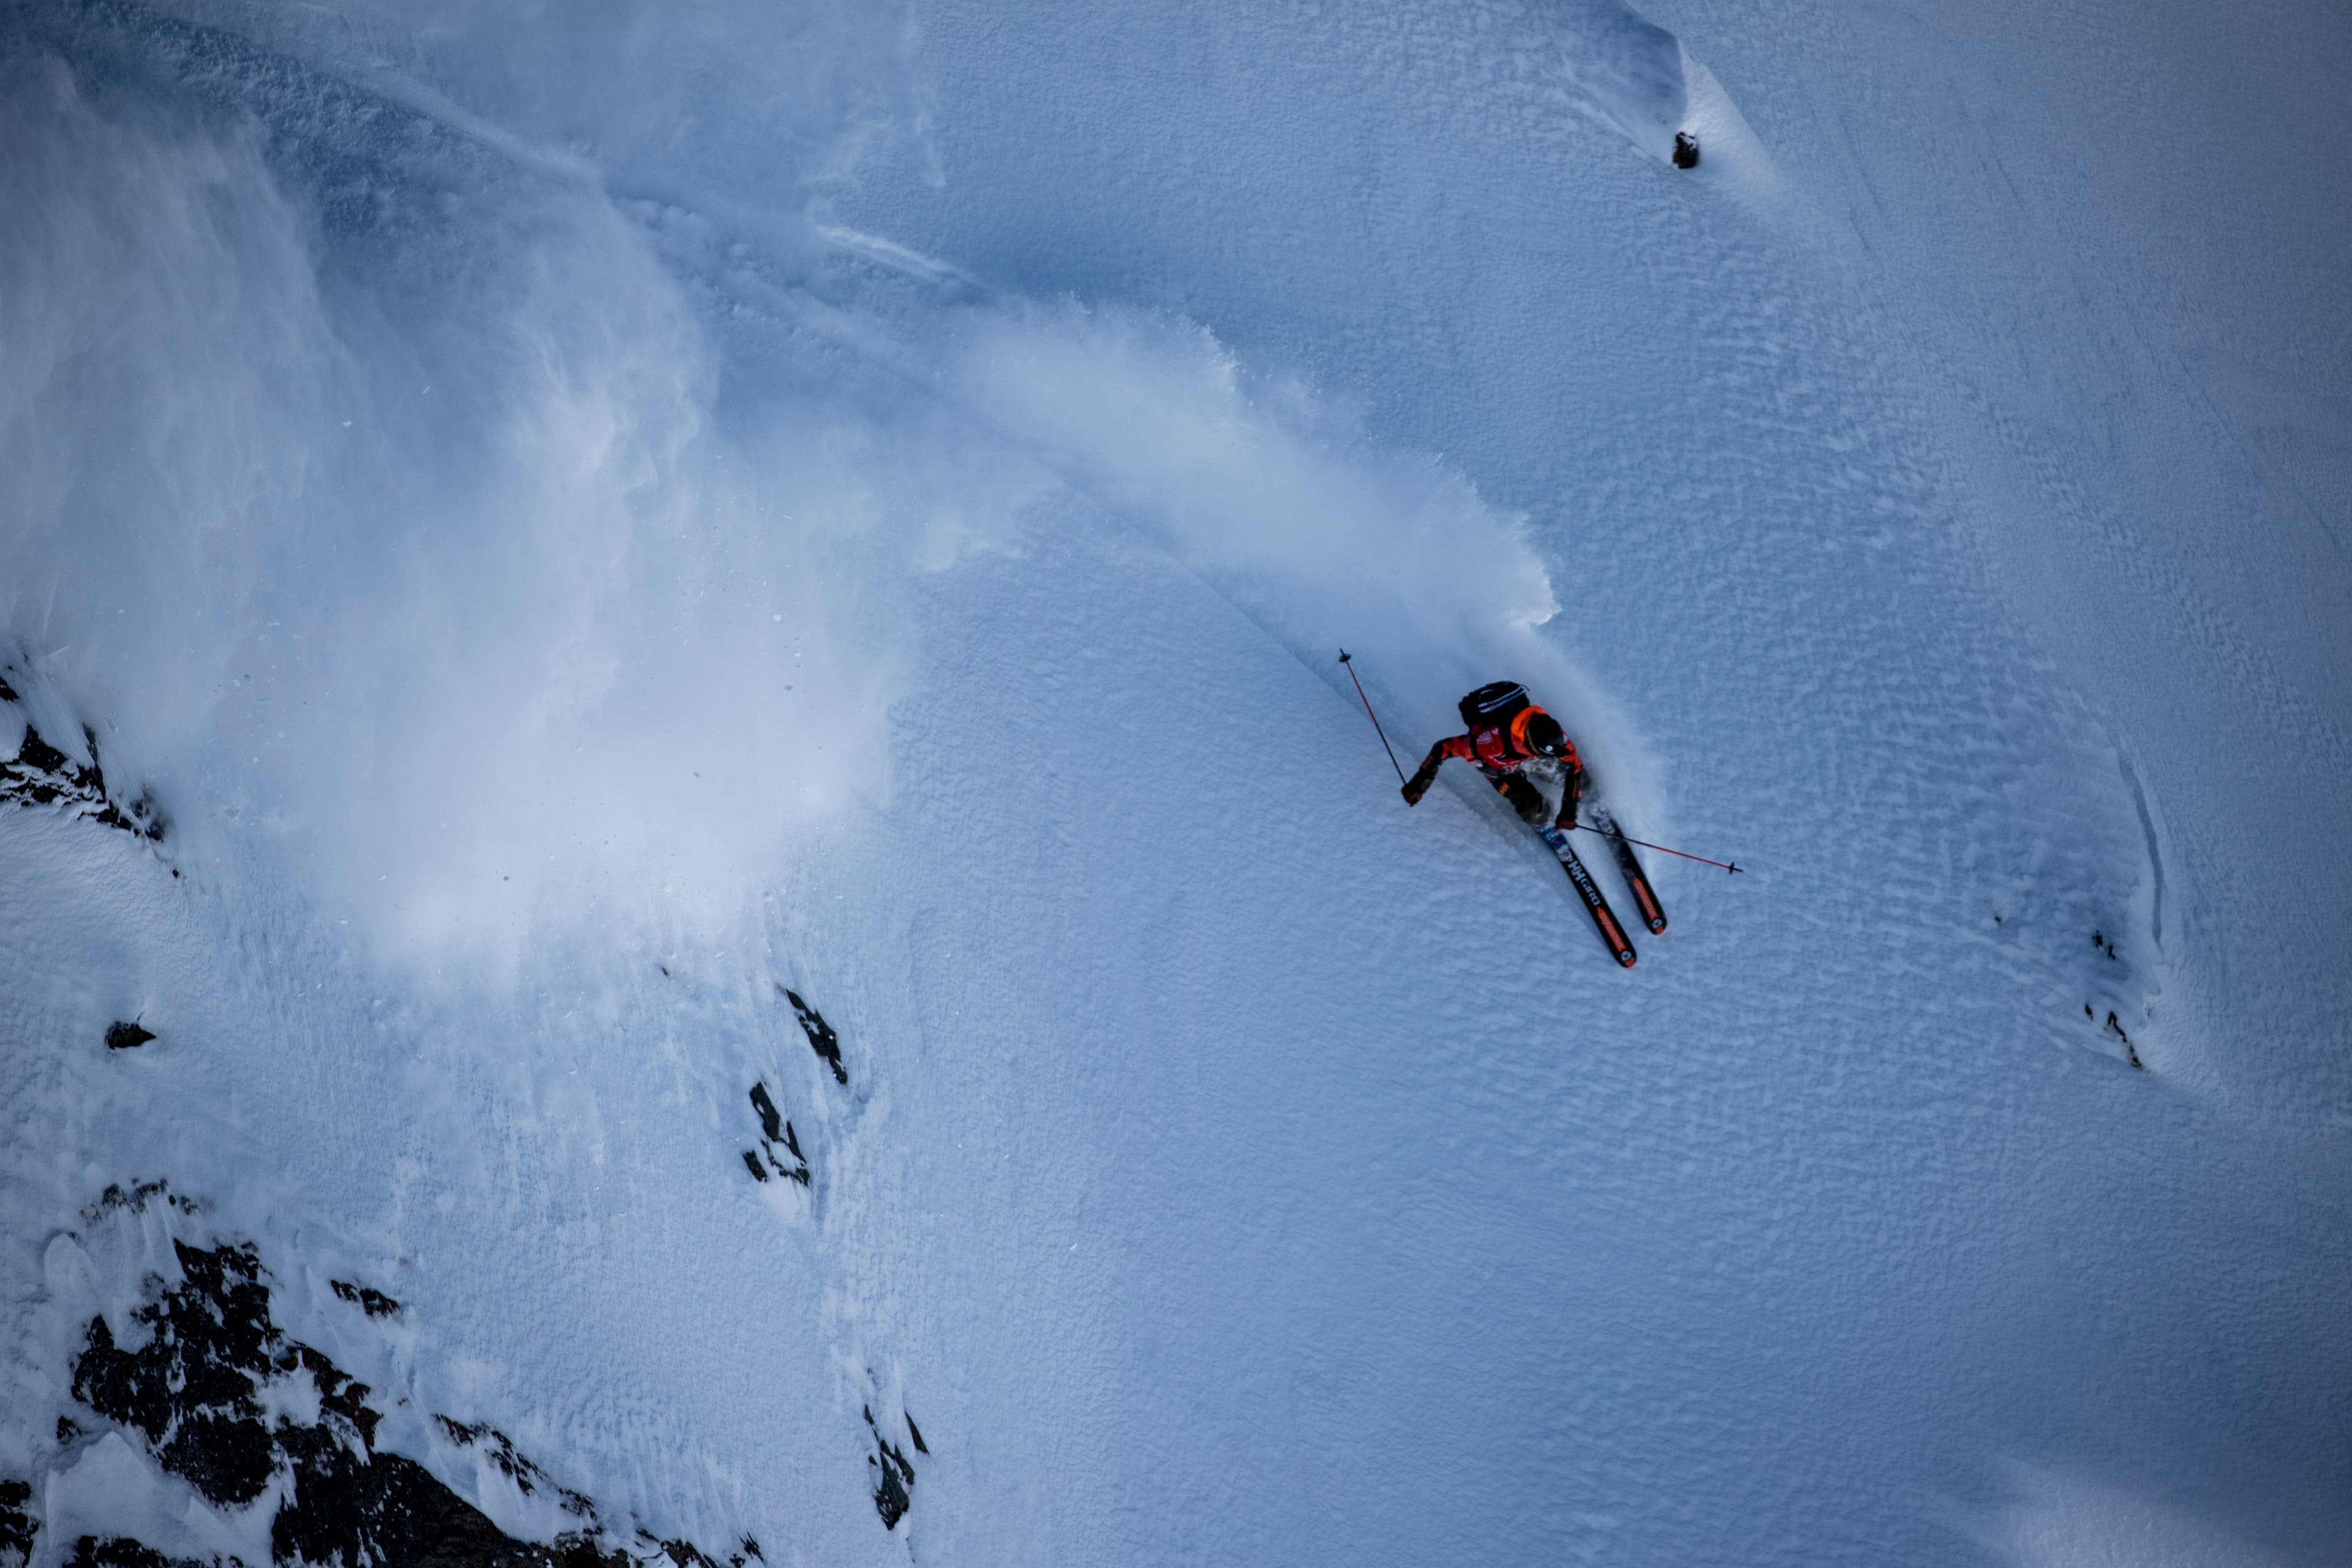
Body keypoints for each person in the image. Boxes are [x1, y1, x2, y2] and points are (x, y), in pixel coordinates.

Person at [1400, 682, 1586, 829]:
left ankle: (1580, 790)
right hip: (1498, 768)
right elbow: (1444, 748)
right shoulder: (1489, 743)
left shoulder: (1555, 735)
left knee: (1566, 767)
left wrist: (1570, 808)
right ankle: (1543, 819)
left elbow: (1575, 764)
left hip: (1525, 752)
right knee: (1530, 806)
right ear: (1527, 745)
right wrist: (1418, 785)